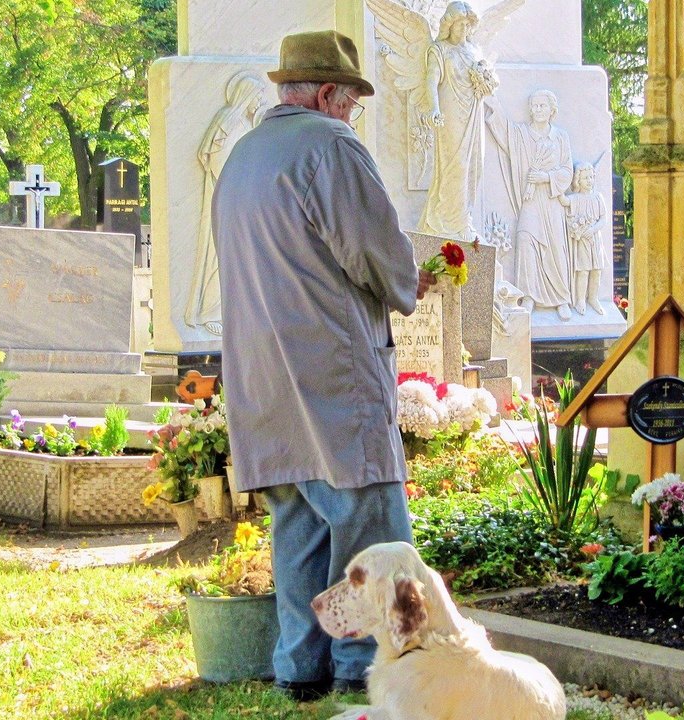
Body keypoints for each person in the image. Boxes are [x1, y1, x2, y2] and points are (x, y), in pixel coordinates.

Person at [212, 29, 436, 701]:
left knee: (299, 527)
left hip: (263, 374)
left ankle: (299, 668)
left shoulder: (244, 154)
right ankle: (365, 669)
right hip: (330, 370)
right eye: (352, 102)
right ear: (328, 93)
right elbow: (373, 249)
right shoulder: (332, 145)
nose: (352, 115)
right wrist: (410, 278)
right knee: (371, 524)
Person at [185, 71, 267, 330]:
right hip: (229, 201)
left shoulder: (245, 123)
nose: (261, 101)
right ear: (247, 96)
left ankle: (238, 313)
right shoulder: (229, 122)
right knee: (219, 258)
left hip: (243, 201)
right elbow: (218, 162)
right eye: (258, 96)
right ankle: (211, 313)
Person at [485, 89, 574, 319]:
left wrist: (546, 178)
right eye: (534, 106)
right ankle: (528, 295)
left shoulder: (560, 137)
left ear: (552, 109)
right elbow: (505, 132)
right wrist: (493, 104)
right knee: (525, 240)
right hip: (530, 201)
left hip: (552, 202)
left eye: (542, 105)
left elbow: (567, 171)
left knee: (555, 247)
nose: (537, 110)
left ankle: (561, 299)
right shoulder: (522, 134)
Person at [417, 1, 497, 242]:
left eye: (467, 24)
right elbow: (431, 80)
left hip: (473, 114)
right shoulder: (439, 50)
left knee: (474, 165)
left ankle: (464, 219)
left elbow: (488, 80)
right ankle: (450, 225)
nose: (464, 29)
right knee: (456, 166)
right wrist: (434, 108)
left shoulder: (474, 51)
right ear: (449, 25)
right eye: (459, 24)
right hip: (451, 115)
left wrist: (487, 82)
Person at [559, 162, 608, 315]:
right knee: (583, 271)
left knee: (596, 270)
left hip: (595, 240)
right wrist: (558, 182)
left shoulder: (598, 197)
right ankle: (581, 300)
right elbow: (564, 201)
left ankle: (593, 298)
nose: (589, 181)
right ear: (578, 180)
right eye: (586, 178)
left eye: (591, 177)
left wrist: (593, 229)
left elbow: (603, 219)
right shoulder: (576, 198)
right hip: (582, 241)